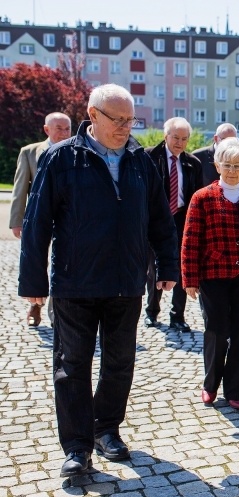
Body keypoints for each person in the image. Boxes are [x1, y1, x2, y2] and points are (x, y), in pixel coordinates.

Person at [18, 84, 179, 477]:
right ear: (92, 115)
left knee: (120, 362)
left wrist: (168, 267)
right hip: (76, 282)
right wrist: (33, 284)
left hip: (126, 280)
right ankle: (77, 447)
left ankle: (106, 428)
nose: (126, 127)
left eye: (131, 120)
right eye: (118, 119)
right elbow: (37, 222)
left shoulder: (141, 160)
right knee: (71, 366)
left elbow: (160, 218)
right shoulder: (61, 158)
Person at [182, 137, 239, 410]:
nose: (232, 170)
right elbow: (190, 239)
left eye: (238, 165)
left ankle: (234, 390)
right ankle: (210, 385)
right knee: (217, 331)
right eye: (227, 164)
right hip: (214, 274)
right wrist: (190, 279)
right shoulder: (203, 197)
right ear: (217, 165)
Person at [10, 112, 72, 326]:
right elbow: (19, 190)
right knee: (38, 262)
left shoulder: (76, 151)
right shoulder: (29, 153)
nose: (64, 133)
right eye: (59, 128)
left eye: (67, 129)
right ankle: (35, 304)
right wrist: (17, 221)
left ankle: (57, 314)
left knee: (61, 264)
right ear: (47, 129)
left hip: (67, 222)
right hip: (39, 219)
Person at [144, 117, 203, 332]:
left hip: (181, 220)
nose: (179, 142)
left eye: (184, 139)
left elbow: (196, 196)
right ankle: (152, 311)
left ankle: (177, 315)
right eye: (175, 137)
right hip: (155, 220)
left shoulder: (192, 163)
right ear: (165, 135)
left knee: (181, 268)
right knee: (155, 268)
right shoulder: (149, 157)